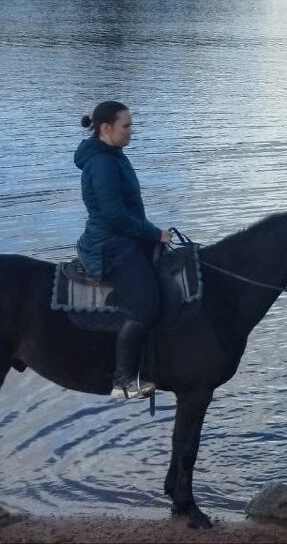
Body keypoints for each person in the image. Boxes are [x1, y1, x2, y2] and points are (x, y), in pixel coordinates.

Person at [75, 101, 171, 400]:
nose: (132, 130)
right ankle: (122, 380)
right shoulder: (103, 164)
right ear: (106, 128)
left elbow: (127, 212)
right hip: (111, 247)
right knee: (146, 305)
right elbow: (114, 216)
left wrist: (151, 234)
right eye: (126, 125)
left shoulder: (112, 155)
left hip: (124, 239)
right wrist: (155, 233)